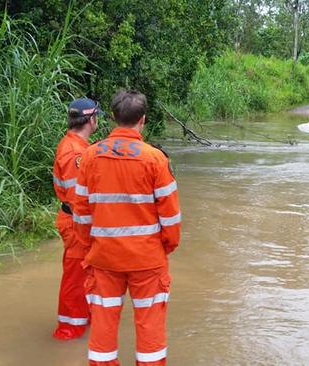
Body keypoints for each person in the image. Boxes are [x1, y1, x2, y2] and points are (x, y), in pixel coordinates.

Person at [73, 89, 181, 365]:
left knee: (103, 330)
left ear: (112, 118)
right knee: (150, 331)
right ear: (142, 119)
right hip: (147, 260)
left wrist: (92, 248)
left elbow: (81, 214)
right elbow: (170, 219)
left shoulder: (90, 157)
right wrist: (162, 248)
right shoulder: (155, 159)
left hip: (104, 258)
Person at [52, 97, 101, 340]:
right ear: (91, 119)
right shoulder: (75, 153)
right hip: (76, 223)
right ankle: (68, 331)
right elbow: (77, 198)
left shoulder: (77, 147)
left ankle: (80, 322)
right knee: (75, 277)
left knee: (83, 275)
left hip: (76, 220)